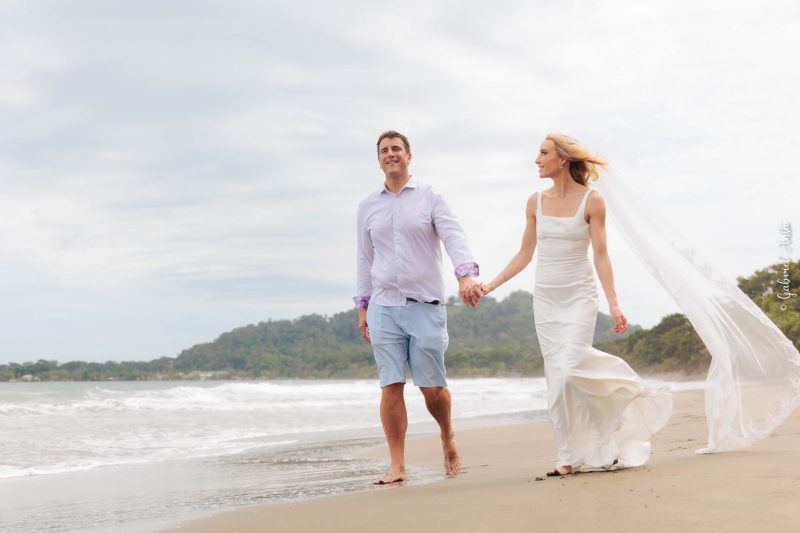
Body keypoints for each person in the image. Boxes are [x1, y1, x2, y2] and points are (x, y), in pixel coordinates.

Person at [479, 134, 672, 476]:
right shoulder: (534, 202)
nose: (536, 159)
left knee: (571, 369)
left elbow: (601, 255)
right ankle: (566, 457)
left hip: (579, 297)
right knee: (557, 380)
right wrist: (490, 286)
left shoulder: (592, 201)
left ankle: (626, 391)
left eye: (542, 153)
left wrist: (614, 304)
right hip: (547, 300)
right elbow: (525, 254)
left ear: (563, 159)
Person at [355, 130, 482, 484]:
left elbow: (454, 237)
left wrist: (465, 276)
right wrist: (363, 307)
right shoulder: (368, 207)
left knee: (432, 388)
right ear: (378, 159)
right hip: (383, 306)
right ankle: (397, 465)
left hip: (424, 305)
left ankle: (447, 434)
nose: (390, 154)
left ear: (409, 156)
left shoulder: (430, 197)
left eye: (397, 149)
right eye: (384, 150)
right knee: (390, 385)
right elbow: (364, 259)